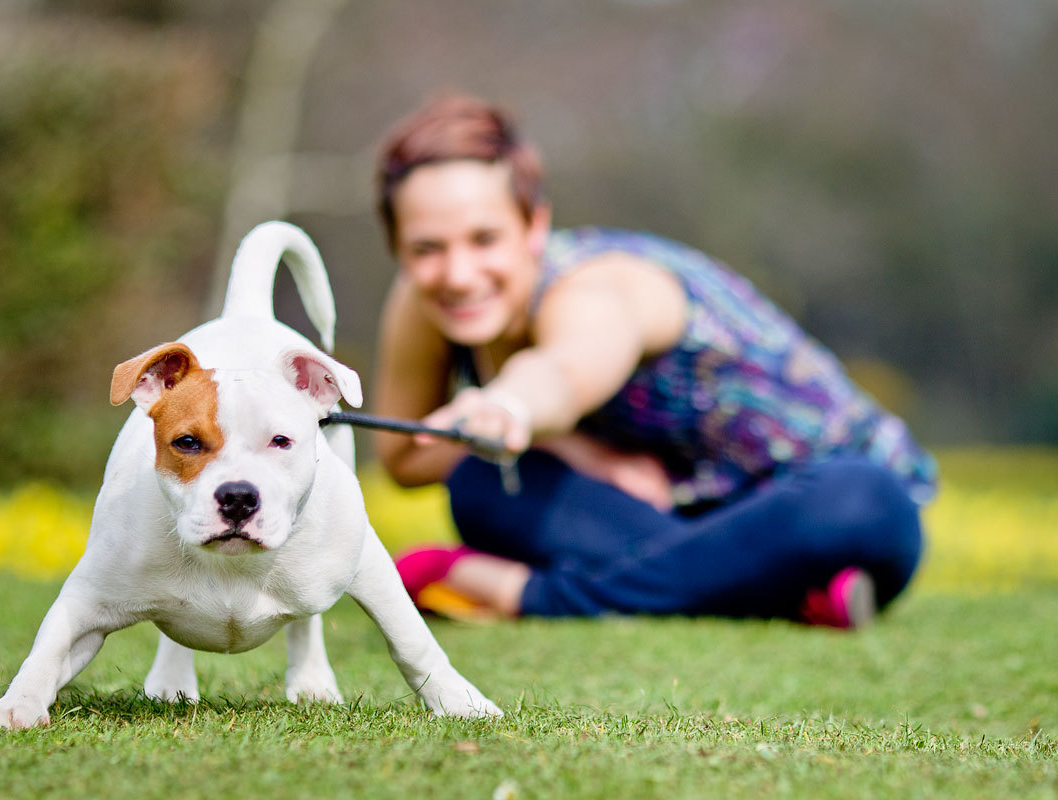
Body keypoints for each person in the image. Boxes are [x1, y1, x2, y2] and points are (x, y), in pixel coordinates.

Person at [370, 93, 936, 627]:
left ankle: (530, 594)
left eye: (484, 239)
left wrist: (509, 406)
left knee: (862, 497)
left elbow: (565, 372)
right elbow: (404, 455)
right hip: (666, 524)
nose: (458, 274)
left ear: (533, 225)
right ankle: (786, 596)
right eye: (426, 249)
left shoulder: (597, 288)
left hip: (805, 504)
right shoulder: (426, 303)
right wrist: (568, 447)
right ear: (398, 248)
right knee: (480, 484)